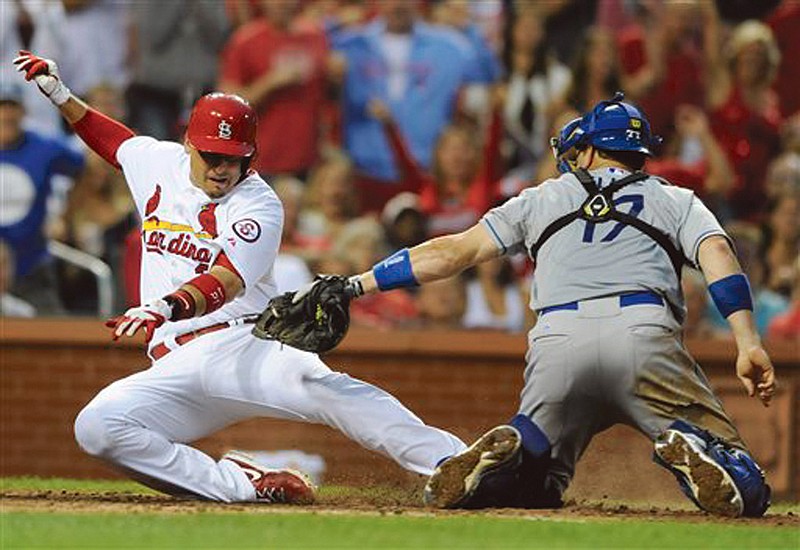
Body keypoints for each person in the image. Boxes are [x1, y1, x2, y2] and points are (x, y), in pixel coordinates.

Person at [14, 50, 465, 504]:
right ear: (189, 144)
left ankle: (453, 463)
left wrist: (165, 305)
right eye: (211, 154)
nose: (221, 168)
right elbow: (115, 143)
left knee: (328, 391)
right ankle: (244, 486)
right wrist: (61, 95)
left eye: (234, 157)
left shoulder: (259, 203)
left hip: (246, 346)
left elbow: (226, 281)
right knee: (98, 428)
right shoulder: (160, 164)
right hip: (173, 362)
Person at [343, 93, 775, 517]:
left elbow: (451, 253)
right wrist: (747, 341)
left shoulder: (541, 197)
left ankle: (517, 448)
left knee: (536, 484)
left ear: (588, 151)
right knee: (747, 486)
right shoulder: (675, 199)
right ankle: (692, 442)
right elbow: (718, 253)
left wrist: (356, 285)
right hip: (643, 333)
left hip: (558, 339)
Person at [0, 80, 84, 314]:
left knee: (55, 337)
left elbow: (85, 170)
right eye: (2, 107)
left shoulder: (46, 148)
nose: (6, 114)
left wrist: (65, 216)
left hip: (32, 264)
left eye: (12, 107)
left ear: (23, 111)